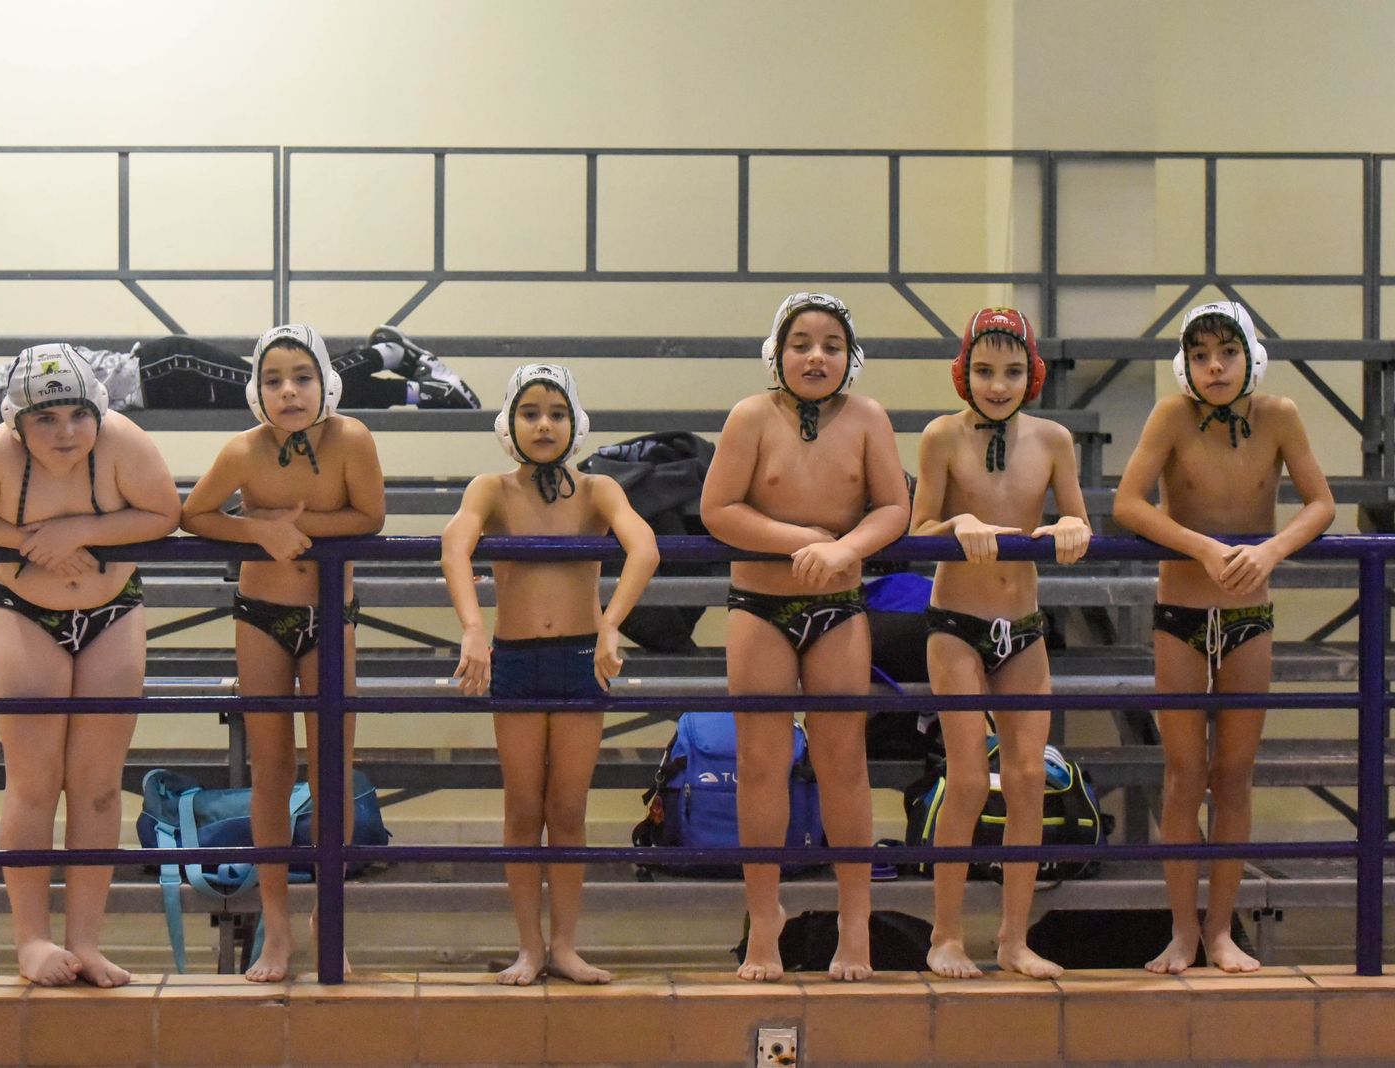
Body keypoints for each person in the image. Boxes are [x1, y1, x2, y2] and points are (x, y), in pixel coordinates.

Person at [0, 344, 182, 987]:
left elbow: (165, 513)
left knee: (99, 785)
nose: (65, 432)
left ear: (98, 408)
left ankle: (87, 941)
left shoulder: (123, 441)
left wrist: (77, 533)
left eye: (77, 414)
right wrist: (26, 542)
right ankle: (32, 940)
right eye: (45, 419)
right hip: (23, 612)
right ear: (16, 420)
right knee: (34, 781)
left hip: (113, 611)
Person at [1113, 300, 1334, 974]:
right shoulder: (1170, 418)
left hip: (1247, 619)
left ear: (1251, 359)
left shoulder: (1280, 417)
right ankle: (1181, 931)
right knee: (1184, 776)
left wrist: (1269, 552)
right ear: (1186, 365)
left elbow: (1321, 504)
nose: (1215, 368)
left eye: (1227, 354)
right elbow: (1126, 503)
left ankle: (1221, 932)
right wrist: (1201, 548)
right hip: (1181, 614)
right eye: (1202, 356)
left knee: (1234, 775)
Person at [700, 292, 909, 982]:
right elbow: (719, 509)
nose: (815, 356)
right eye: (801, 343)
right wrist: (803, 541)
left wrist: (849, 549)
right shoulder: (750, 417)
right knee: (761, 764)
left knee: (844, 762)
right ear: (776, 353)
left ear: (851, 358)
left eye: (830, 345)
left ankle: (856, 921)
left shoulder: (869, 419)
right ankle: (765, 917)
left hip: (838, 611)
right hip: (760, 606)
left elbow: (895, 507)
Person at [179, 324, 386, 982]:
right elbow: (193, 515)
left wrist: (287, 527)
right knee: (270, 771)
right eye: (273, 380)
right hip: (262, 617)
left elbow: (370, 517)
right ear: (255, 391)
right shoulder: (243, 451)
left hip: (332, 616)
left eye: (302, 377)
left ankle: (331, 920)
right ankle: (277, 925)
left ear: (327, 382)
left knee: (332, 772)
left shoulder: (352, 439)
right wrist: (252, 531)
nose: (289, 391)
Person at [441, 363, 658, 985]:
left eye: (557, 414)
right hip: (514, 658)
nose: (543, 424)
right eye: (530, 412)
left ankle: (564, 944)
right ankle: (528, 947)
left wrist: (612, 622)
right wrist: (474, 627)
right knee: (522, 806)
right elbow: (454, 545)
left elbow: (643, 547)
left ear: (577, 423)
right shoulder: (492, 489)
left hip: (579, 658)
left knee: (567, 808)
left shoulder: (597, 491)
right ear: (509, 422)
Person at [908, 307, 1091, 981]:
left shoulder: (1053, 440)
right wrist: (956, 520)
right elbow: (916, 525)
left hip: (1025, 628)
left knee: (1023, 781)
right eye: (984, 371)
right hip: (955, 622)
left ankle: (1013, 939)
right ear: (964, 372)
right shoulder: (940, 437)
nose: (997, 384)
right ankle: (945, 935)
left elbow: (1078, 515)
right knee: (963, 780)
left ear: (1032, 374)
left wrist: (1073, 528)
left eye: (1012, 371)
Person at [0, 326, 480, 411]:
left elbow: (58, 388)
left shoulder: (21, 370)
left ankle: (391, 356)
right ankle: (418, 390)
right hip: (162, 387)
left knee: (283, 391)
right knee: (300, 405)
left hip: (167, 369)